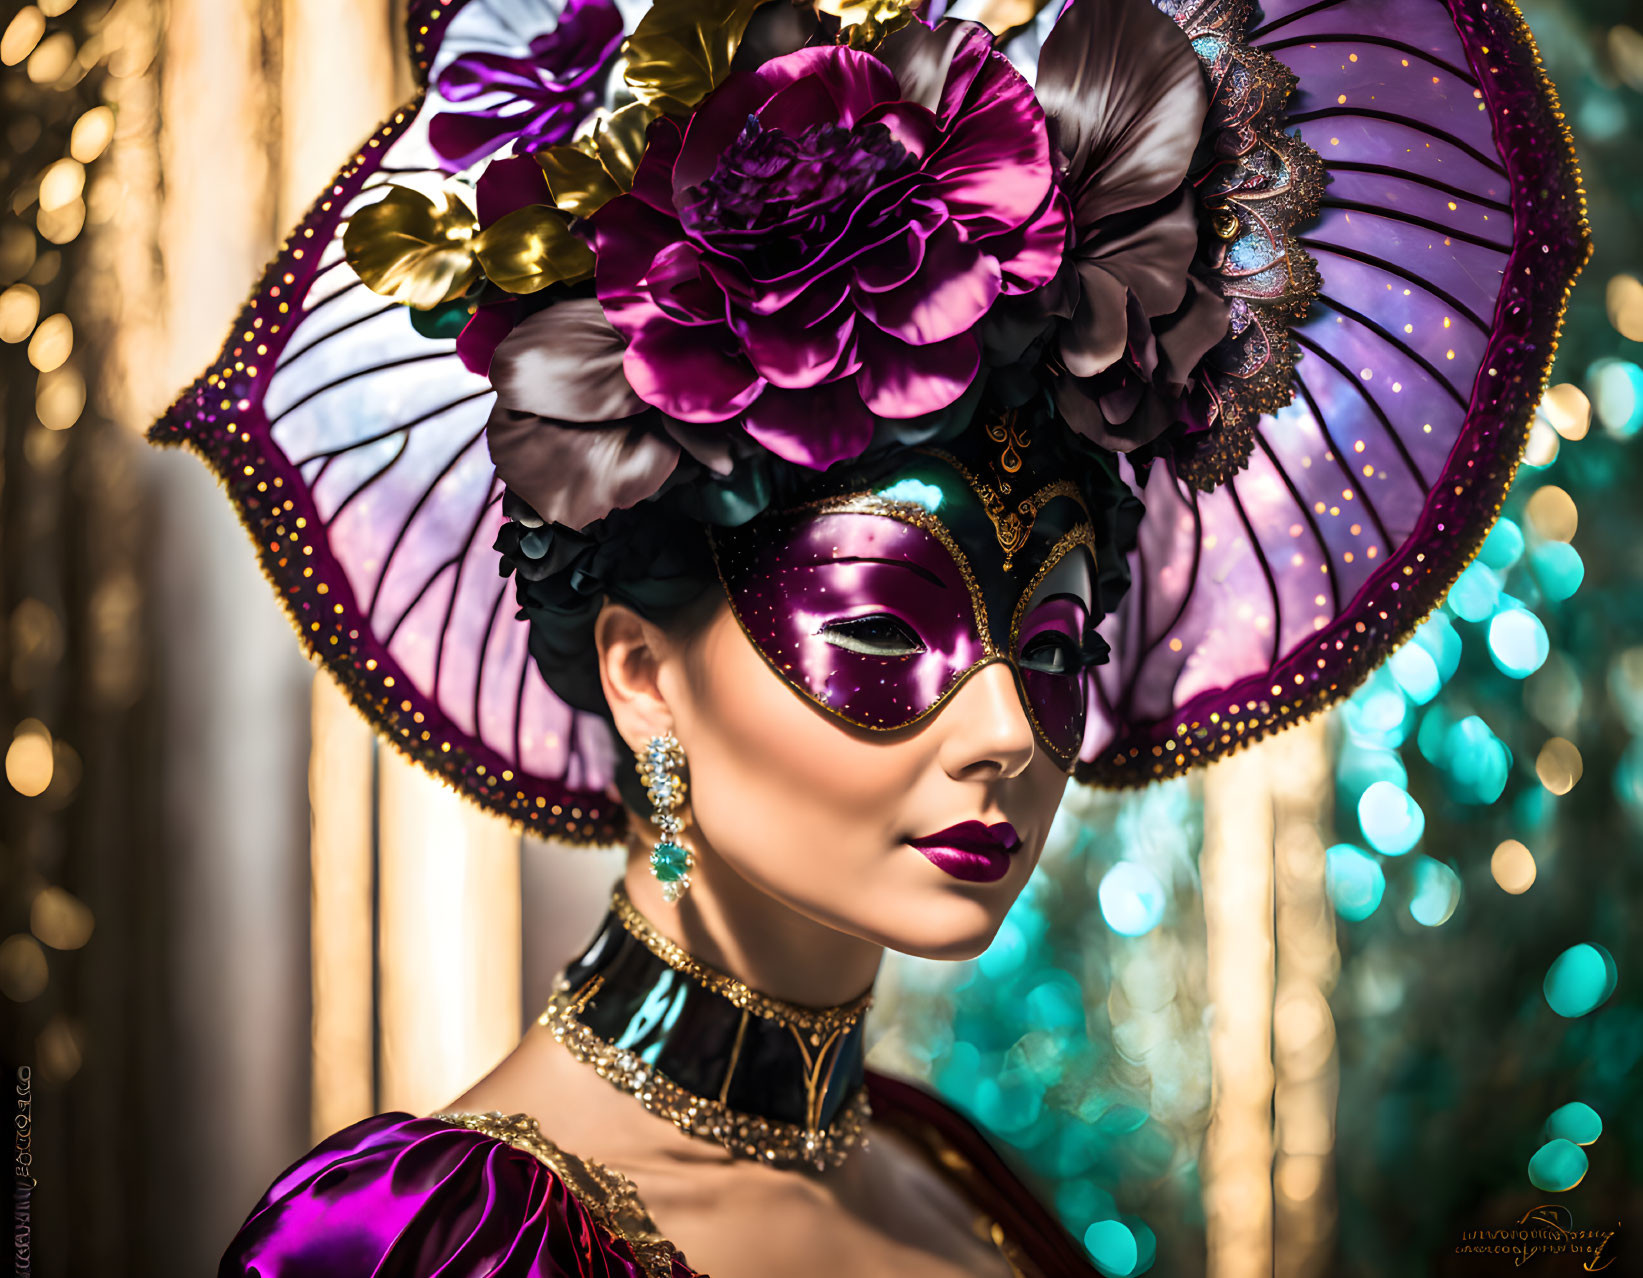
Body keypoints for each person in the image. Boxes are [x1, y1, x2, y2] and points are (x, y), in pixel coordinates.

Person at [148, 0, 1586, 1273]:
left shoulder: (952, 1177)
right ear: (645, 675)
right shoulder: (434, 1250)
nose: (1013, 733)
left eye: (1059, 648)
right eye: (887, 629)